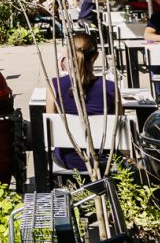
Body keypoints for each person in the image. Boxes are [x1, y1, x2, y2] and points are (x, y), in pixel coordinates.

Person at [46, 32, 117, 171]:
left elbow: (52, 127)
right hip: (103, 159)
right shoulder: (110, 88)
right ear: (95, 57)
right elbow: (118, 125)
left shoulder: (54, 87)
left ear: (68, 55)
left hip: (67, 158)